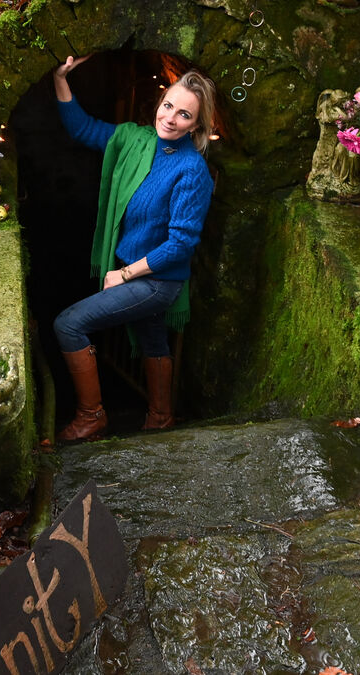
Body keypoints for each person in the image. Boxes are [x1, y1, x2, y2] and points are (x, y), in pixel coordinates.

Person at [51, 55, 216, 442]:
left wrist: (124, 274)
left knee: (68, 324)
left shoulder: (191, 170)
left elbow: (180, 245)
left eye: (184, 115)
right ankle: (161, 418)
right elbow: (83, 129)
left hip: (157, 281)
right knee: (152, 338)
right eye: (168, 105)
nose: (170, 118)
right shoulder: (136, 140)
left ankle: (91, 417)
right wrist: (60, 78)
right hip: (133, 269)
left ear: (197, 125)